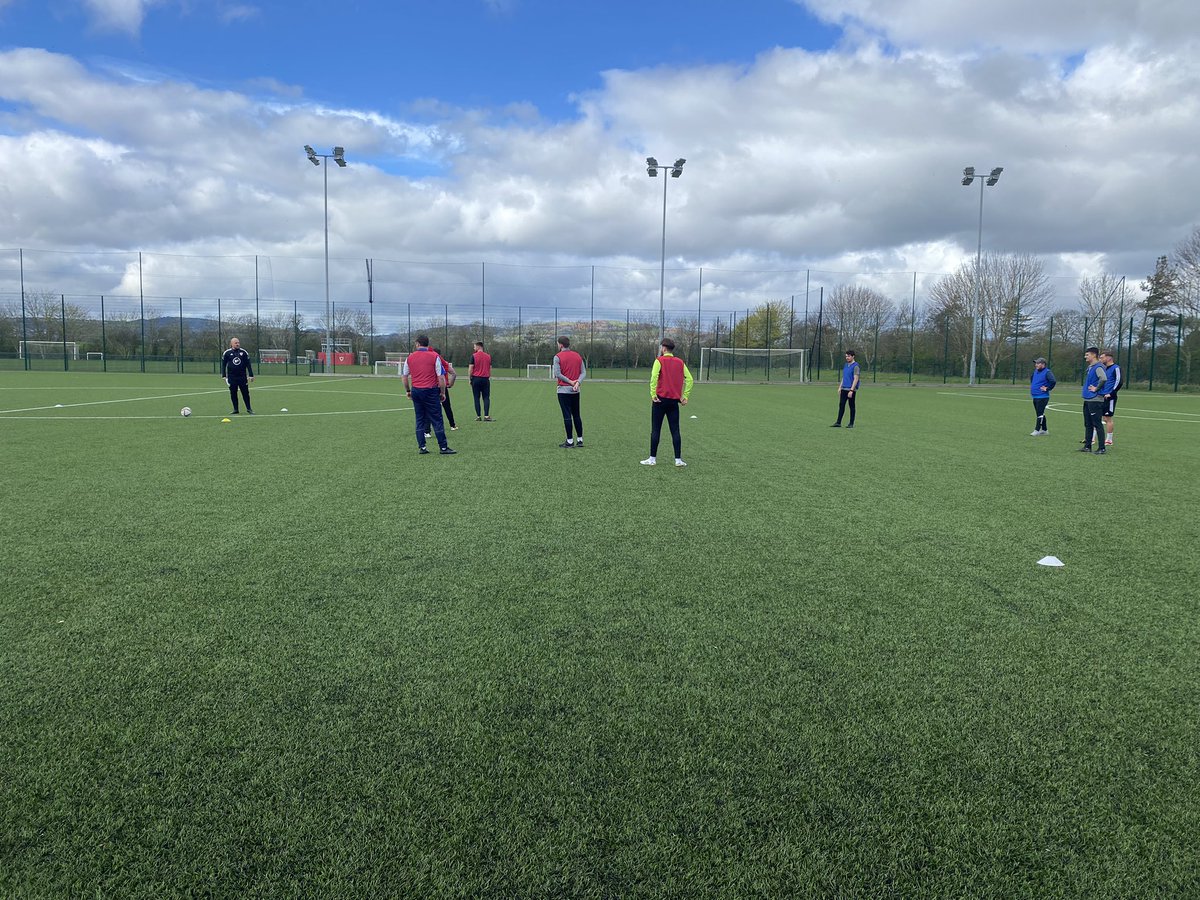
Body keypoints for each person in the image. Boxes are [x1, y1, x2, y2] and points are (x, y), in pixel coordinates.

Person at [640, 338, 694, 467]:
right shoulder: (680, 362)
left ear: (664, 348)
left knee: (656, 430)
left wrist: (653, 394)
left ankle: (652, 459)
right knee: (675, 430)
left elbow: (654, 378)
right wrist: (685, 396)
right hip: (674, 402)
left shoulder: (659, 361)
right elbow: (690, 379)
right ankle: (678, 460)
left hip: (659, 400)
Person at [402, 334, 456, 455]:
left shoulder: (410, 357)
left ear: (417, 344)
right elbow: (441, 377)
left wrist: (408, 390)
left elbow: (405, 376)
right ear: (428, 344)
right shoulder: (435, 356)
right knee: (437, 418)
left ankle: (422, 447)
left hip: (416, 390)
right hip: (431, 391)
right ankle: (443, 448)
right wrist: (442, 392)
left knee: (420, 419)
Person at [552, 336, 586, 447]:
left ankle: (570, 441)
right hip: (576, 391)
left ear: (561, 345)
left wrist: (571, 382)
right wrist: (577, 383)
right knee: (577, 415)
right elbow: (583, 372)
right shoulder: (577, 356)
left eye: (558, 344)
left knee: (567, 416)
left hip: (563, 391)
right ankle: (580, 440)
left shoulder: (557, 357)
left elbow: (558, 374)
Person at [1080, 346, 1108, 454]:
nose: (1085, 357)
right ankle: (1087, 446)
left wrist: (1096, 388)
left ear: (1093, 355)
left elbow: (1103, 378)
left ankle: (1102, 448)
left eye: (1087, 355)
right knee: (1088, 424)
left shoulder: (1098, 367)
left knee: (1097, 424)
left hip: (1095, 399)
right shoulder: (1090, 367)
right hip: (1088, 399)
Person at [220, 336, 254, 414]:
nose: (238, 344)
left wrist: (251, 375)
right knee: (233, 393)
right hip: (232, 377)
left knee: (245, 393)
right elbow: (223, 364)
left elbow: (248, 364)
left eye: (238, 342)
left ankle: (249, 409)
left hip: (242, 376)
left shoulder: (244, 352)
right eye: (236, 343)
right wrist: (224, 375)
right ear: (231, 344)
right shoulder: (227, 353)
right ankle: (236, 409)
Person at [830, 349, 860, 428]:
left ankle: (851, 423)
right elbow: (844, 377)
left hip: (850, 390)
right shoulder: (846, 365)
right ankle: (838, 422)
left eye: (849, 356)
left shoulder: (856, 366)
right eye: (846, 356)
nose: (847, 358)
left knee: (851, 406)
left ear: (853, 356)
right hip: (844, 389)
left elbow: (856, 378)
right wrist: (840, 387)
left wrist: (851, 390)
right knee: (841, 405)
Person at [432, 347, 458, 431]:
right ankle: (452, 425)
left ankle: (427, 431)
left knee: (431, 408)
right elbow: (453, 374)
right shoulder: (444, 363)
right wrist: (450, 384)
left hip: (432, 387)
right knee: (447, 407)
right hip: (443, 387)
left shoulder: (430, 362)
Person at [1029, 356, 1056, 435]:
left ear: (1043, 364)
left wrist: (1047, 388)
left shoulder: (1047, 372)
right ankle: (1044, 430)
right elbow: (1032, 379)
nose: (1036, 365)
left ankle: (1037, 430)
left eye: (1038, 363)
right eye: (1036, 363)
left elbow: (1053, 381)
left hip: (1042, 397)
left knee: (1040, 413)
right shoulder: (1035, 372)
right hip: (1035, 396)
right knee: (1039, 413)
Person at [1100, 350, 1122, 447]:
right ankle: (1093, 437)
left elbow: (1119, 381)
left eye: (1102, 357)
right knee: (1102, 417)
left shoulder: (1116, 368)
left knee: (1108, 418)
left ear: (1109, 358)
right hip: (1101, 396)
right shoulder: (1104, 369)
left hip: (1110, 397)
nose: (1101, 359)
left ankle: (1109, 439)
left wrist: (1112, 393)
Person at [468, 340, 493, 421]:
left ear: (479, 346)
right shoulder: (488, 356)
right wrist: (488, 376)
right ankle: (486, 416)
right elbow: (490, 368)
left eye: (474, 346)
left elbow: (471, 368)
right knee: (486, 397)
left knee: (476, 397)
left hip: (476, 379)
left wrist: (470, 378)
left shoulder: (473, 356)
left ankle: (478, 416)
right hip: (485, 379)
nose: (474, 348)